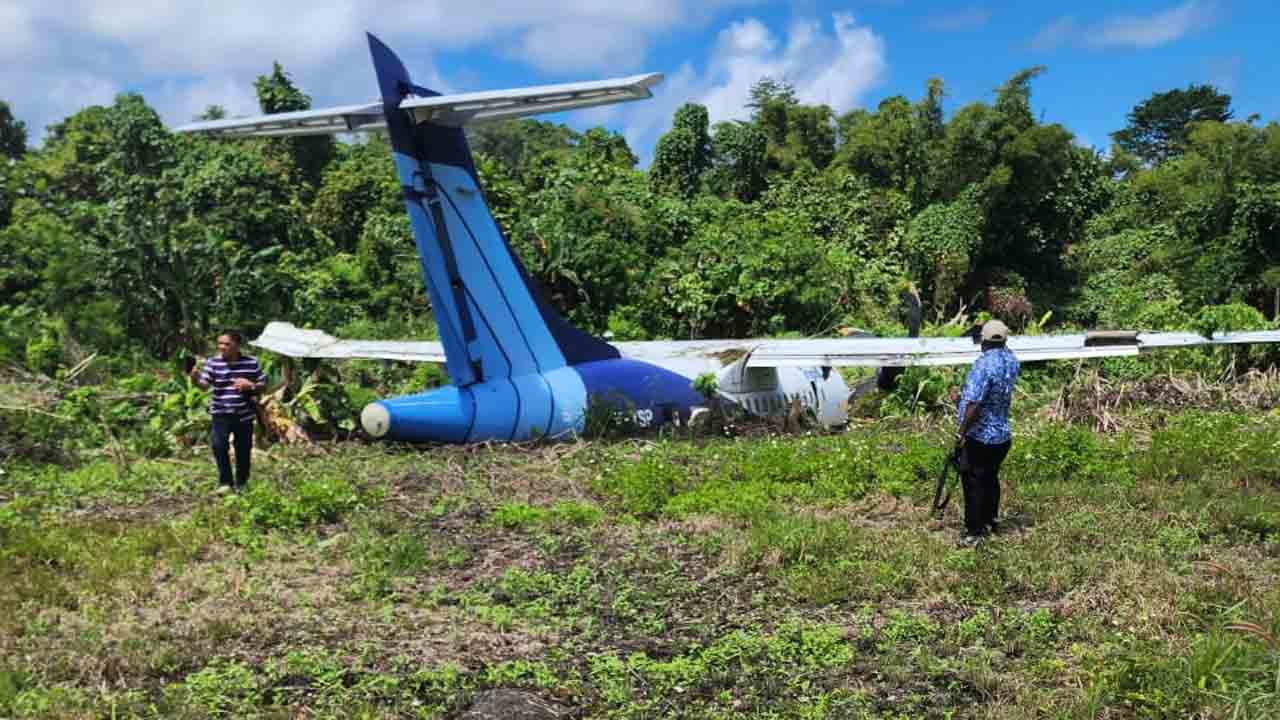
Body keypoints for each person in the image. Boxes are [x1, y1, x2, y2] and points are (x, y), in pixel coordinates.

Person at [955, 319, 1020, 547]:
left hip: (981, 435)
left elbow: (975, 403)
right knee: (990, 478)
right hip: (1001, 434)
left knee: (972, 481)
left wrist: (961, 433)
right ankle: (990, 520)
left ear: (983, 340)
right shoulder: (1011, 361)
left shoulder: (983, 365)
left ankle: (974, 531)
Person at [189, 331, 267, 493]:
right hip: (220, 412)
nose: (222, 347)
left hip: (244, 414)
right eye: (220, 343)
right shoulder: (213, 362)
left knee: (243, 449)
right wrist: (195, 378)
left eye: (226, 344)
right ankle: (225, 482)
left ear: (237, 345)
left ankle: (242, 484)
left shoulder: (251, 362)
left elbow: (263, 385)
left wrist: (250, 385)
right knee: (218, 446)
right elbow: (204, 386)